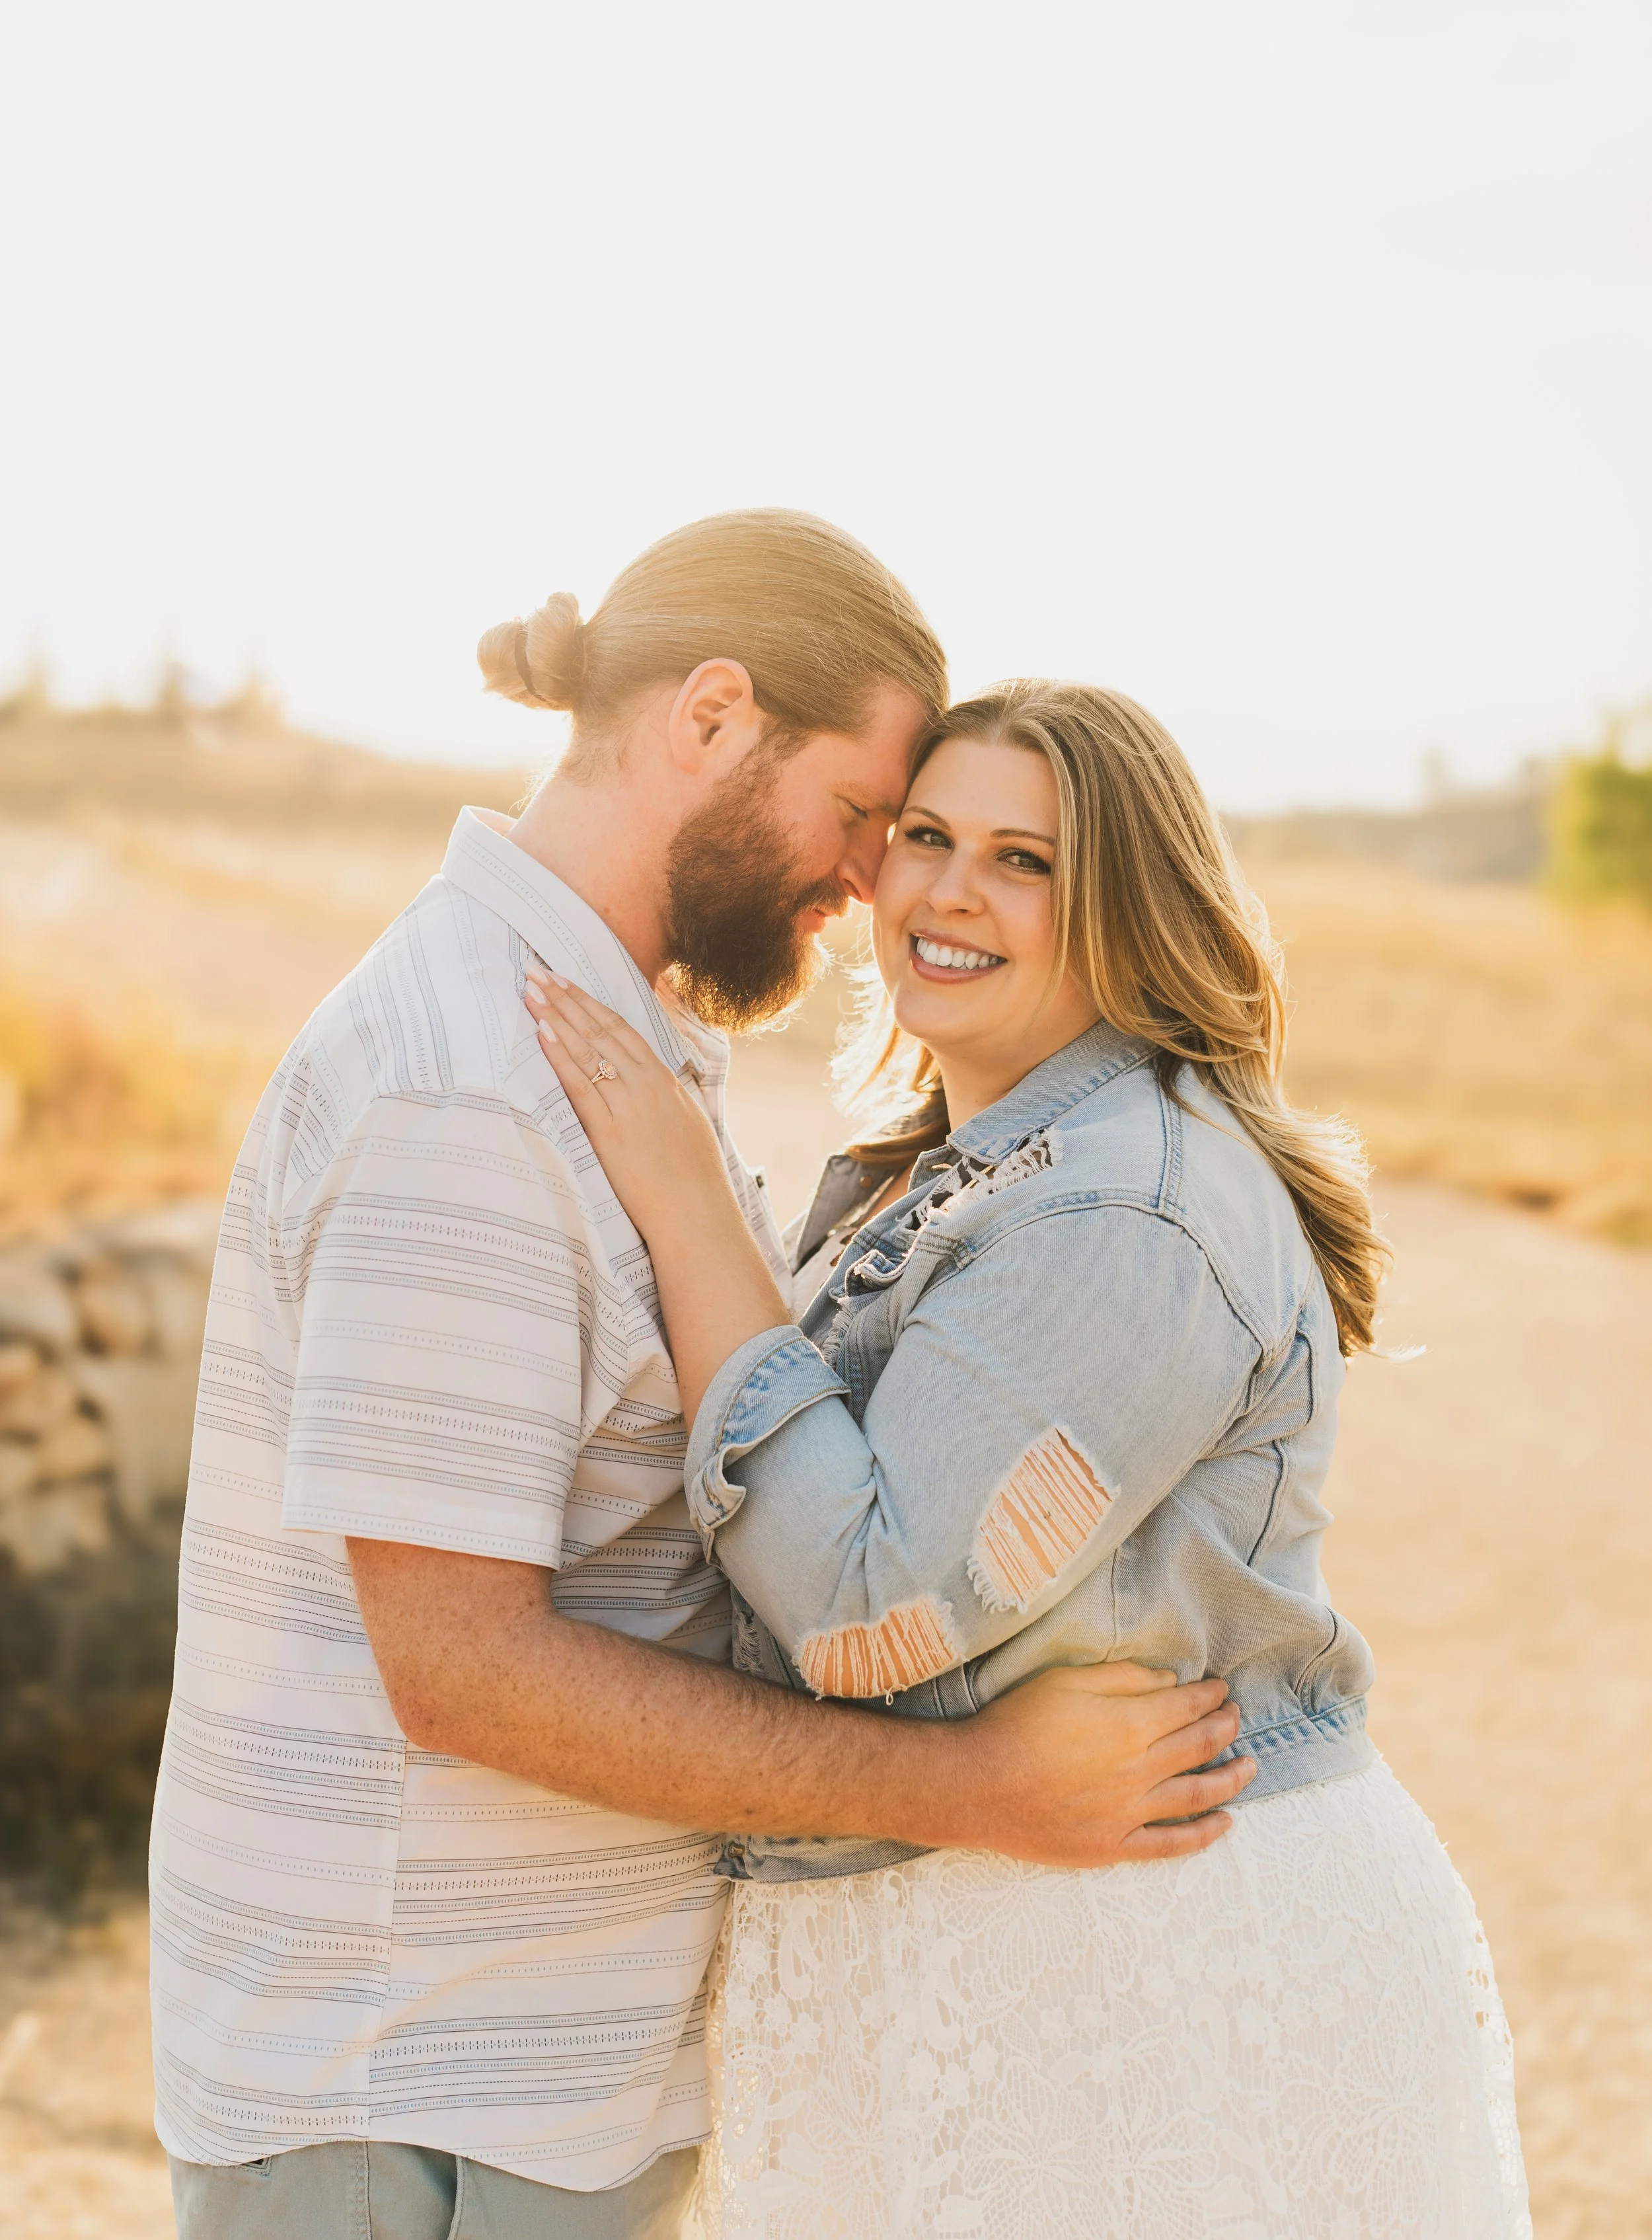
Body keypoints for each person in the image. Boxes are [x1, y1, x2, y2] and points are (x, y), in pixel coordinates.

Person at [151, 518, 1253, 2240]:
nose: (870, 881)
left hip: (515, 2085)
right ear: (714, 715)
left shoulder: (592, 1039)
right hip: (414, 2099)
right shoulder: (470, 1085)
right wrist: (972, 1792)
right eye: (867, 815)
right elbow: (463, 1670)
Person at [524, 679, 1532, 2239]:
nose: (947, 890)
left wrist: (683, 1205)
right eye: (925, 835)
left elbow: (872, 1601)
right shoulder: (963, 1166)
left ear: (1123, 904)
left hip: (1139, 1972)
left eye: (1022, 860)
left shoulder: (1123, 1208)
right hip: (989, 1951)